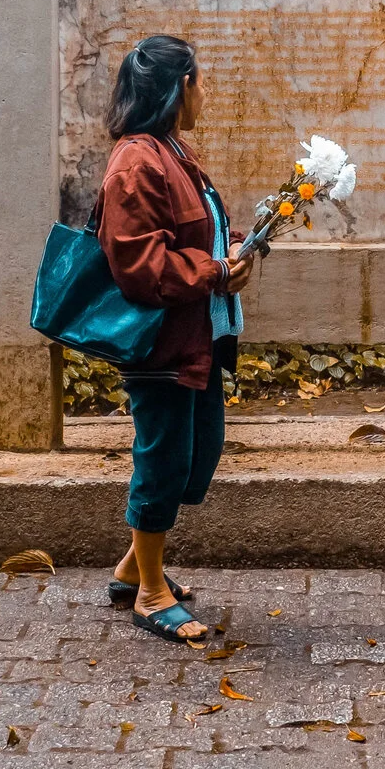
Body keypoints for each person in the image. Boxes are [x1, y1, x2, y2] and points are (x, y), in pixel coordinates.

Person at [96, 35, 256, 642]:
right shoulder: (137, 162)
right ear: (179, 87)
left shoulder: (173, 152)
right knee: (163, 461)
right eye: (200, 80)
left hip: (198, 337)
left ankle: (133, 569)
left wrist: (237, 243)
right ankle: (150, 594)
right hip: (162, 341)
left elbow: (199, 227)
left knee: (198, 456)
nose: (204, 92)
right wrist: (214, 272)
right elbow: (138, 263)